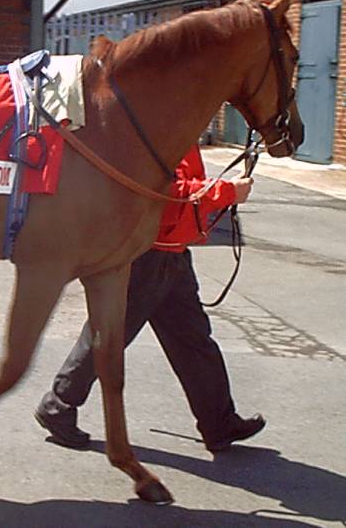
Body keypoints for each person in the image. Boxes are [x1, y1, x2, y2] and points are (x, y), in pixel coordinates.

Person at [35, 144, 265, 453]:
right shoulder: (157, 130)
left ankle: (218, 423)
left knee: (194, 341)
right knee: (109, 334)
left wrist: (222, 191)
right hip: (147, 254)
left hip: (171, 251)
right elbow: (164, 195)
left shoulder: (181, 131)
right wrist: (225, 192)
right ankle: (58, 404)